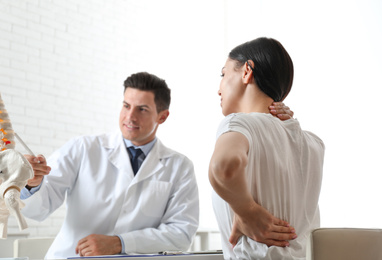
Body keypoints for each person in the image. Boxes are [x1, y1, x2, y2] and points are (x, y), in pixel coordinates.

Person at [20, 72, 200, 259]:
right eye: (126, 106)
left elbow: (181, 234)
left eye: (142, 109)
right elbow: (39, 209)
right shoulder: (83, 148)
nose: (130, 117)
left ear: (162, 117)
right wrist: (32, 184)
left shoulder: (180, 167)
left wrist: (120, 243)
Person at [209, 37, 325, 259]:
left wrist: (247, 211)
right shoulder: (313, 144)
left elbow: (223, 166)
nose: (219, 88)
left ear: (246, 71)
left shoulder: (238, 123)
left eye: (224, 74)